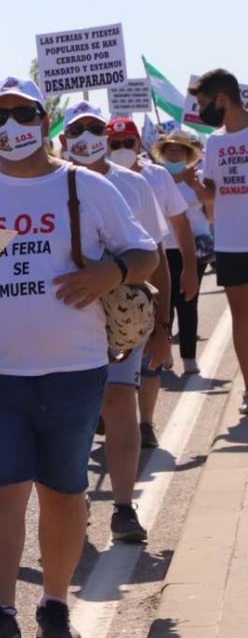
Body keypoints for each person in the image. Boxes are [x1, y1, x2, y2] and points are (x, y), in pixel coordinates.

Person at [0, 78, 157, 638]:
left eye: (21, 114)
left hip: (73, 371)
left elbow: (144, 253)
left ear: (44, 120)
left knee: (64, 492)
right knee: (0, 490)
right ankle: (1, 613)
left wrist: (108, 274)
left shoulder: (86, 187)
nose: (9, 127)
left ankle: (56, 604)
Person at [59, 101, 171, 542]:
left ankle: (123, 506)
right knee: (74, 411)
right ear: (64, 139)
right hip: (65, 314)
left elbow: (156, 256)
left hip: (123, 317)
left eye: (94, 127)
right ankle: (73, 494)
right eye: (77, 129)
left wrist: (163, 329)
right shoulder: (50, 182)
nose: (86, 136)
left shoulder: (134, 184)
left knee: (120, 401)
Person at [106, 116, 198, 446]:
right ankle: (111, 415)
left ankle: (145, 422)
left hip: (155, 267)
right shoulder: (93, 178)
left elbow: (180, 223)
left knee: (151, 347)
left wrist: (189, 267)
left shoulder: (156, 178)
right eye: (113, 145)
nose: (120, 150)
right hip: (108, 276)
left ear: (138, 145)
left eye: (127, 144)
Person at [192, 69, 248, 413]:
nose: (202, 111)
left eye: (203, 104)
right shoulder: (214, 142)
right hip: (230, 243)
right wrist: (194, 184)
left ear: (222, 99)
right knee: (242, 318)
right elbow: (211, 198)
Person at [151, 131, 215, 375]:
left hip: (192, 248)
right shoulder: (156, 177)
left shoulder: (196, 176)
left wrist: (194, 184)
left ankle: (188, 356)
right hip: (163, 249)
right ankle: (164, 351)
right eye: (169, 150)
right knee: (164, 304)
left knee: (188, 302)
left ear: (187, 154)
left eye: (178, 149)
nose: (173, 153)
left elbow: (211, 205)